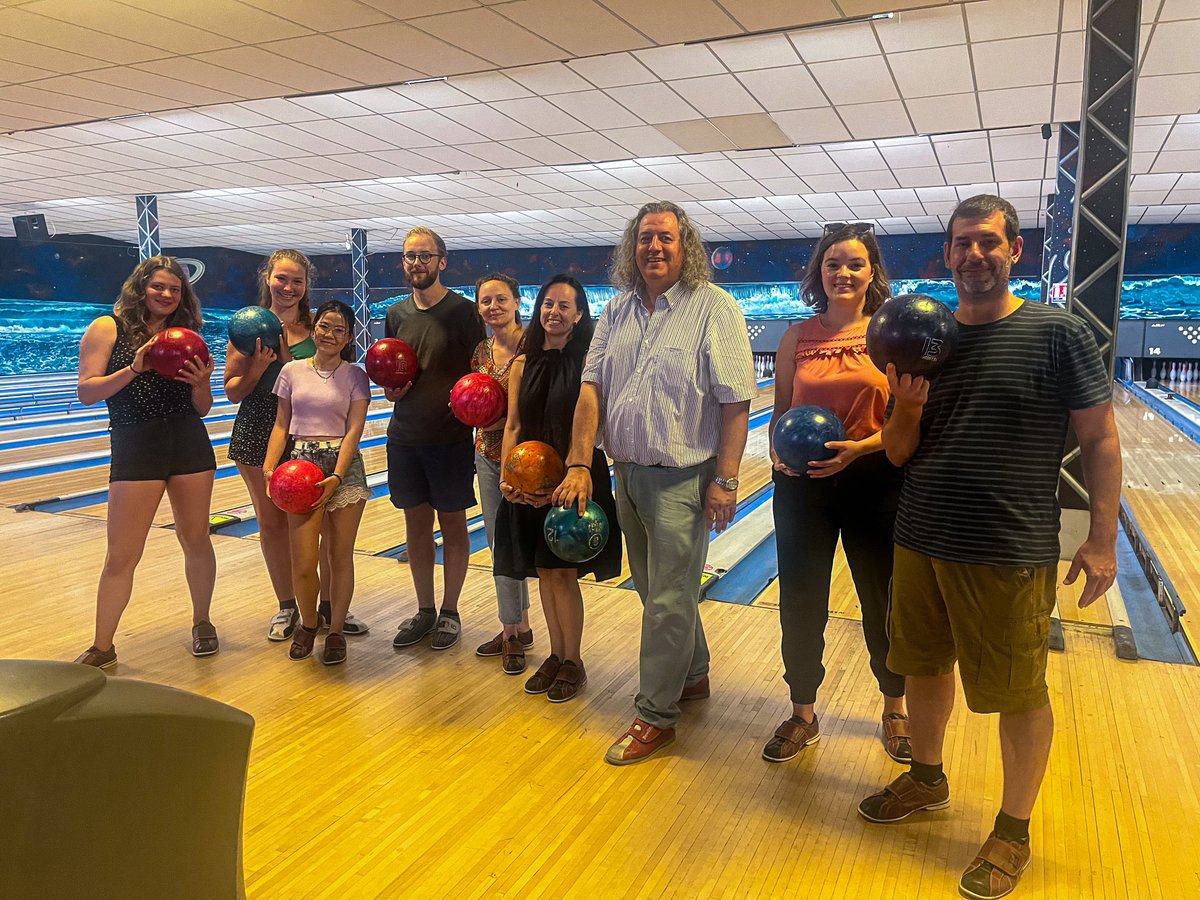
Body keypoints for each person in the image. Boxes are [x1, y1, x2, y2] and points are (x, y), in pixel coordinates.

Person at [856, 195, 1121, 900]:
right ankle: (926, 778)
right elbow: (899, 451)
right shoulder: (926, 339)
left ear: (1015, 251)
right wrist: (908, 406)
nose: (975, 255)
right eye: (963, 243)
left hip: (1008, 547)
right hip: (920, 537)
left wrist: (1102, 538)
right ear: (947, 255)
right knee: (920, 667)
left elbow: (1100, 437)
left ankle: (1013, 829)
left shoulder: (1057, 332)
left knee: (1017, 692)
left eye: (989, 242)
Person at [554, 201, 757, 763]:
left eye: (666, 237)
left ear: (684, 245)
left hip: (683, 480)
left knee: (667, 600)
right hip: (627, 475)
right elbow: (591, 388)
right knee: (654, 591)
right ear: (632, 247)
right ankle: (692, 673)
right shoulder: (617, 311)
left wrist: (726, 480)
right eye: (645, 237)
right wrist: (579, 462)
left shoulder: (715, 308)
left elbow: (737, 401)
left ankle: (655, 716)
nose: (654, 247)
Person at [764, 223, 909, 764]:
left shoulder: (889, 335)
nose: (842, 273)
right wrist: (778, 454)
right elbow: (781, 411)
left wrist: (857, 449)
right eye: (832, 264)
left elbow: (906, 420)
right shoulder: (795, 338)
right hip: (804, 486)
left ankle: (895, 708)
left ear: (872, 273)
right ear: (818, 273)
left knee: (882, 600)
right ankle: (802, 713)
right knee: (801, 600)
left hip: (874, 480)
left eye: (854, 264)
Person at [73, 256, 218, 668]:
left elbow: (202, 408)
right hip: (136, 443)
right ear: (140, 287)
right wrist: (135, 367)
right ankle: (103, 646)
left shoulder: (186, 336)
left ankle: (203, 621)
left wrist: (202, 384)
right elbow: (87, 392)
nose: (167, 294)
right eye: (158, 286)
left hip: (188, 441)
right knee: (122, 554)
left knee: (195, 538)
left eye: (175, 289)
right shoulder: (109, 327)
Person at [224, 249, 369, 643]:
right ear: (267, 278)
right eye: (281, 278)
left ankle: (327, 607)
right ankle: (287, 606)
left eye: (297, 281)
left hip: (311, 436)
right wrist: (259, 366)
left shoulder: (317, 326)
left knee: (323, 533)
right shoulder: (249, 326)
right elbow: (232, 390)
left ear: (306, 286)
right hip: (261, 431)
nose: (288, 287)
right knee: (272, 524)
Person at [494, 276, 622, 698]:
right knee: (544, 573)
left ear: (580, 314)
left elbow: (595, 425)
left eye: (565, 306)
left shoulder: (589, 363)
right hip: (529, 477)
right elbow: (513, 425)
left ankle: (573, 660)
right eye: (548, 304)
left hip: (573, 476)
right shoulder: (522, 363)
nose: (554, 312)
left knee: (563, 574)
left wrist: (573, 469)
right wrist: (508, 476)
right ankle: (555, 653)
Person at [385, 227, 486, 652]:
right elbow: (392, 370)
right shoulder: (396, 314)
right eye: (410, 256)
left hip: (449, 438)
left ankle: (450, 610)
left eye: (425, 256)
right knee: (416, 527)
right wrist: (390, 391)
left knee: (454, 524)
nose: (417, 263)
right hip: (404, 437)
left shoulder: (463, 313)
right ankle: (424, 609)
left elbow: (481, 372)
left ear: (442, 261)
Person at [263, 301, 373, 665]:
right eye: (325, 326)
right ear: (314, 328)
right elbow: (282, 424)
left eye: (339, 330)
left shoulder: (355, 375)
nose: (330, 334)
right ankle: (309, 623)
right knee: (304, 560)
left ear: (349, 337)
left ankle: (336, 629)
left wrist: (337, 476)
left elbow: (354, 430)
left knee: (340, 556)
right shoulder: (291, 371)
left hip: (344, 467)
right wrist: (270, 468)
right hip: (300, 467)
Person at [468, 273, 535, 671]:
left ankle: (514, 628)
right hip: (486, 455)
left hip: (527, 461)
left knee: (517, 545)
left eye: (500, 299)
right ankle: (515, 629)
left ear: (516, 302)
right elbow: (476, 399)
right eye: (485, 301)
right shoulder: (481, 351)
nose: (493, 307)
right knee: (499, 545)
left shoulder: (534, 345)